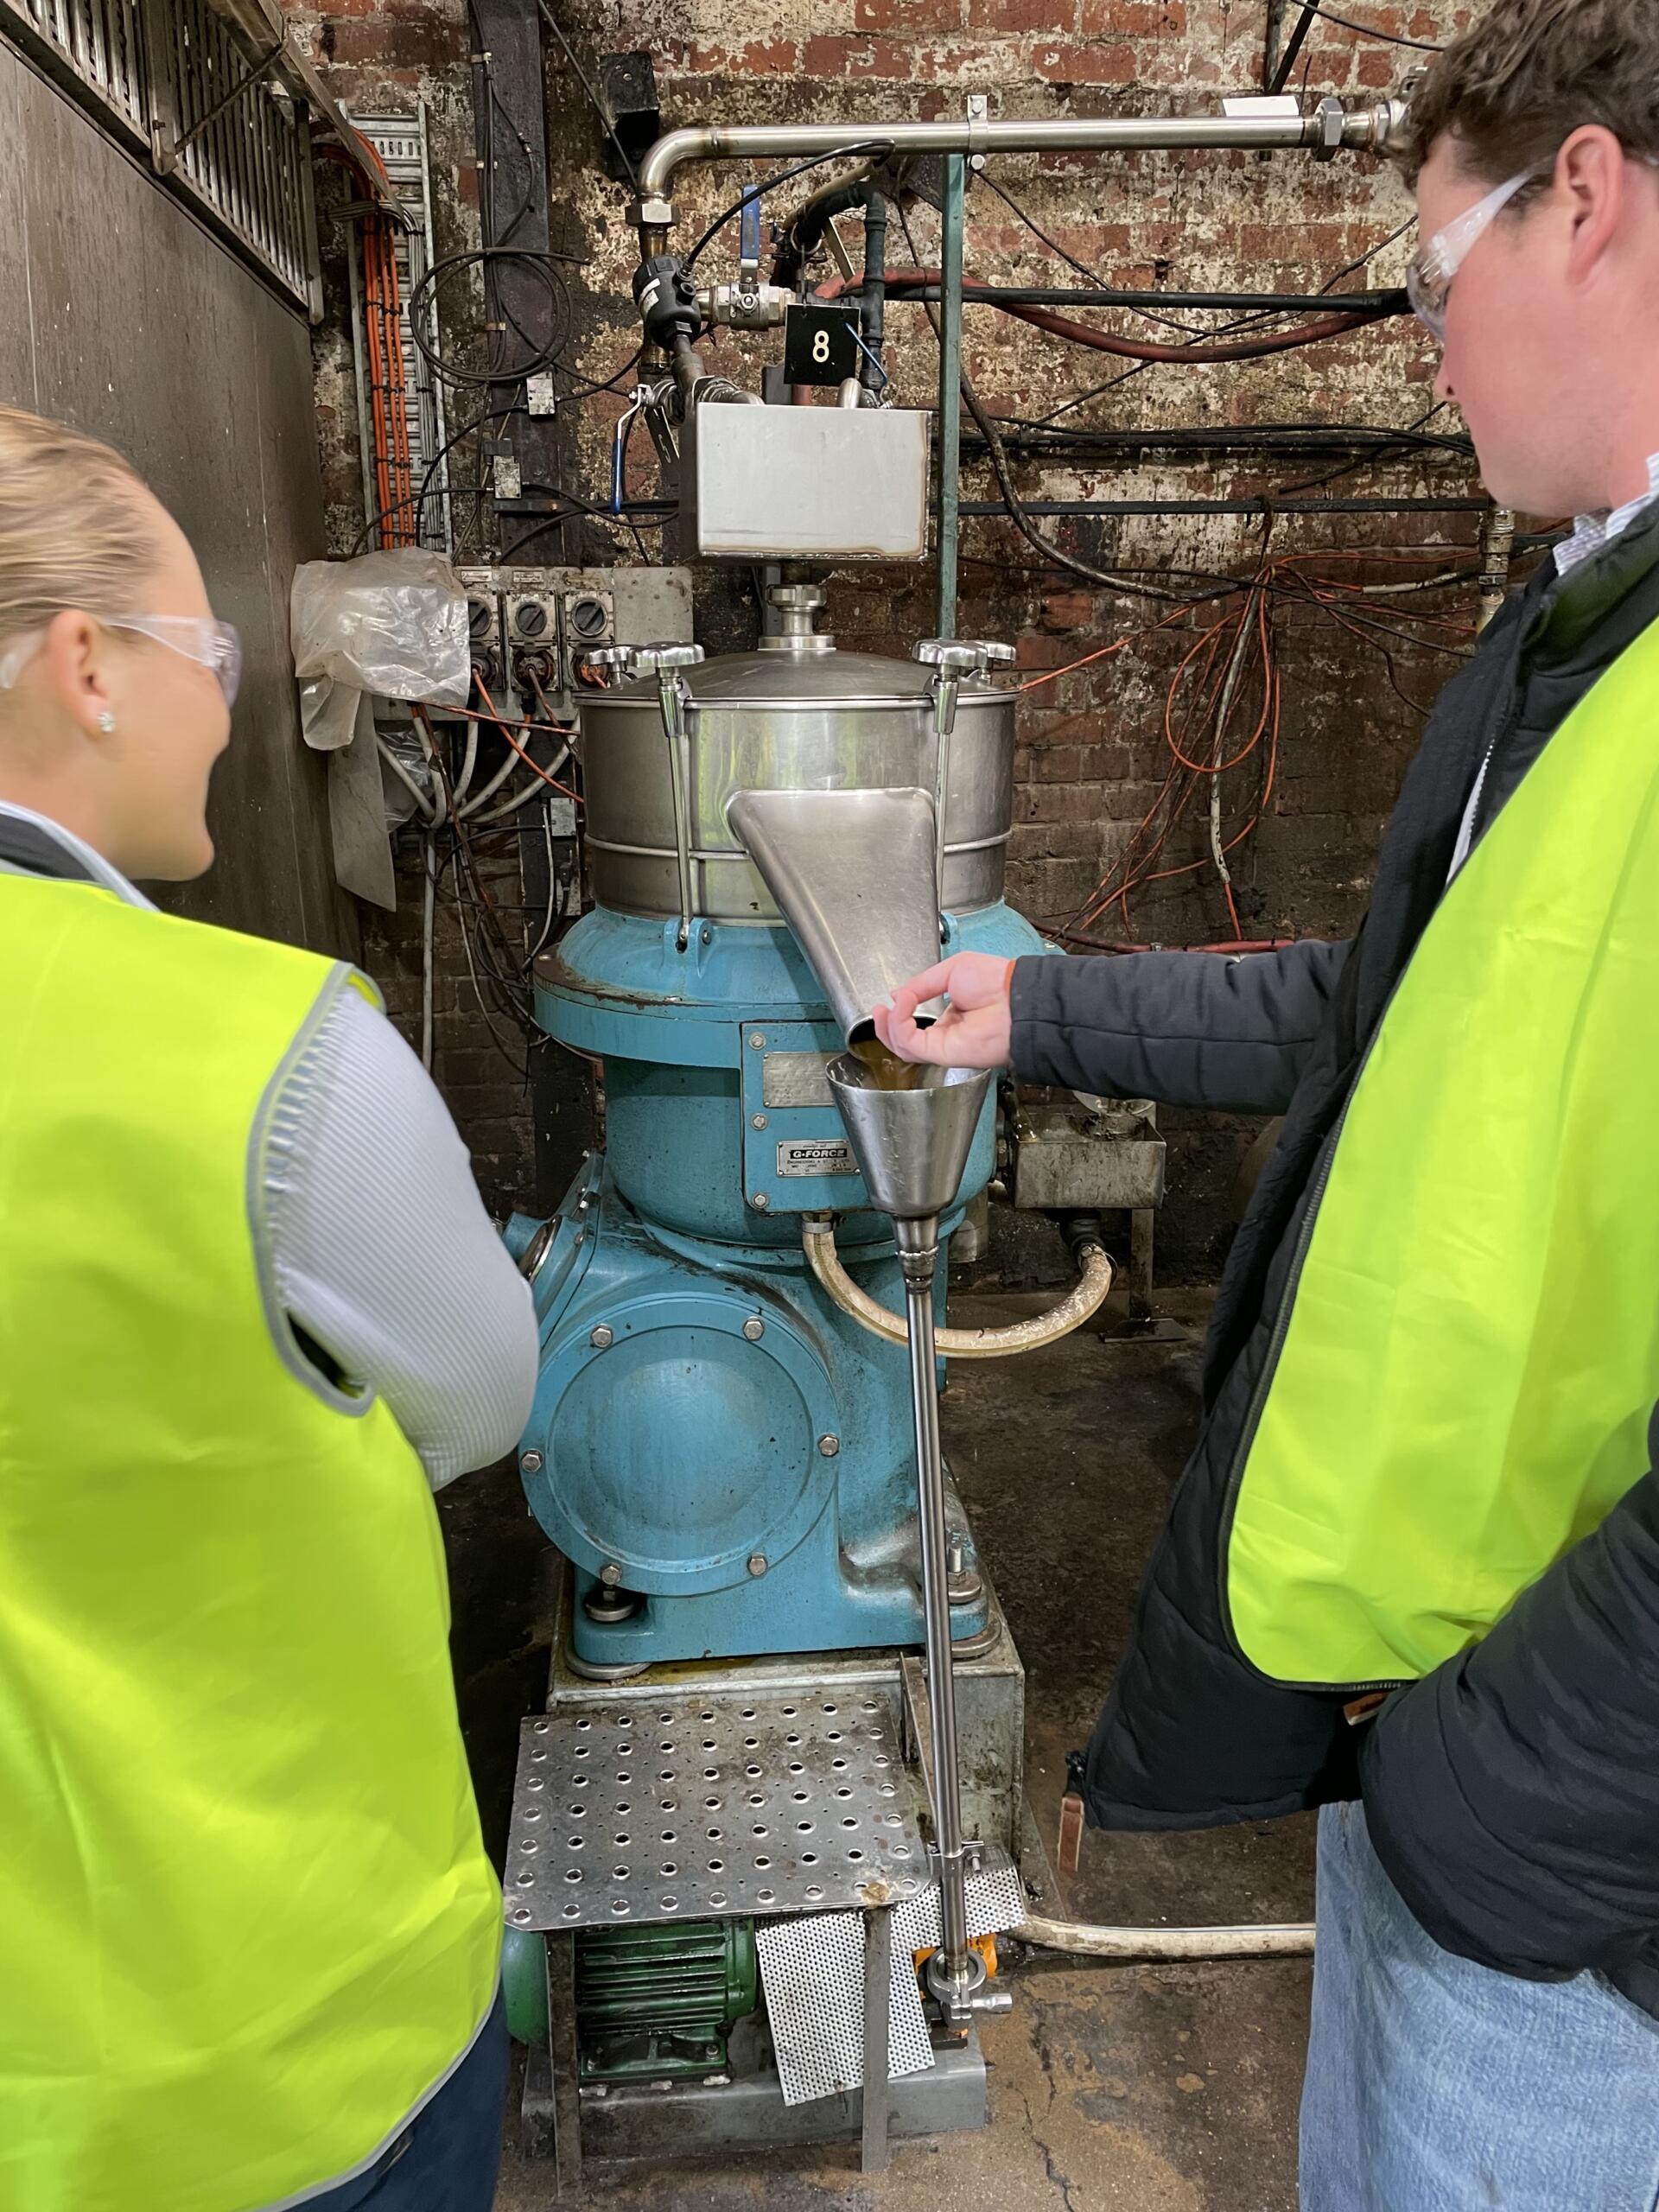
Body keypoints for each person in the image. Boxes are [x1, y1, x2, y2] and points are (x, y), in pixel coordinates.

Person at [875, 3, 1659, 2202]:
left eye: (1434, 273)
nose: (1425, 347)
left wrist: (1493, 1790)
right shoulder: (1569, 636)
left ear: (1583, 199)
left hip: (1575, 1867)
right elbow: (1395, 1017)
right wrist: (1042, 1016)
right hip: (1424, 1720)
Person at [0, 404, 539, 2212]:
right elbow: (481, 1399)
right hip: (290, 2046)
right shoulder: (267, 1052)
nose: (227, 707)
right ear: (86, 665)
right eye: (207, 654)